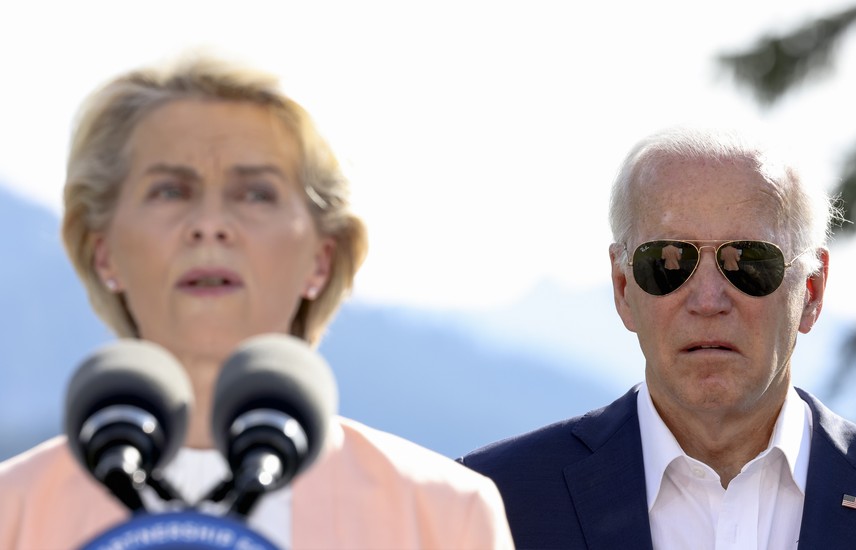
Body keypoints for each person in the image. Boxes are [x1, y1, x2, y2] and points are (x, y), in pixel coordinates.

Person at [0, 53, 513, 550]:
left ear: (321, 256)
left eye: (255, 194)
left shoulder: (442, 515)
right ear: (103, 250)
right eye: (171, 191)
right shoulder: (11, 510)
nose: (210, 225)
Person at [460, 127, 856, 549]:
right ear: (623, 287)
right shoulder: (488, 500)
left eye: (749, 261)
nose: (709, 300)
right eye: (668, 262)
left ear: (811, 291)